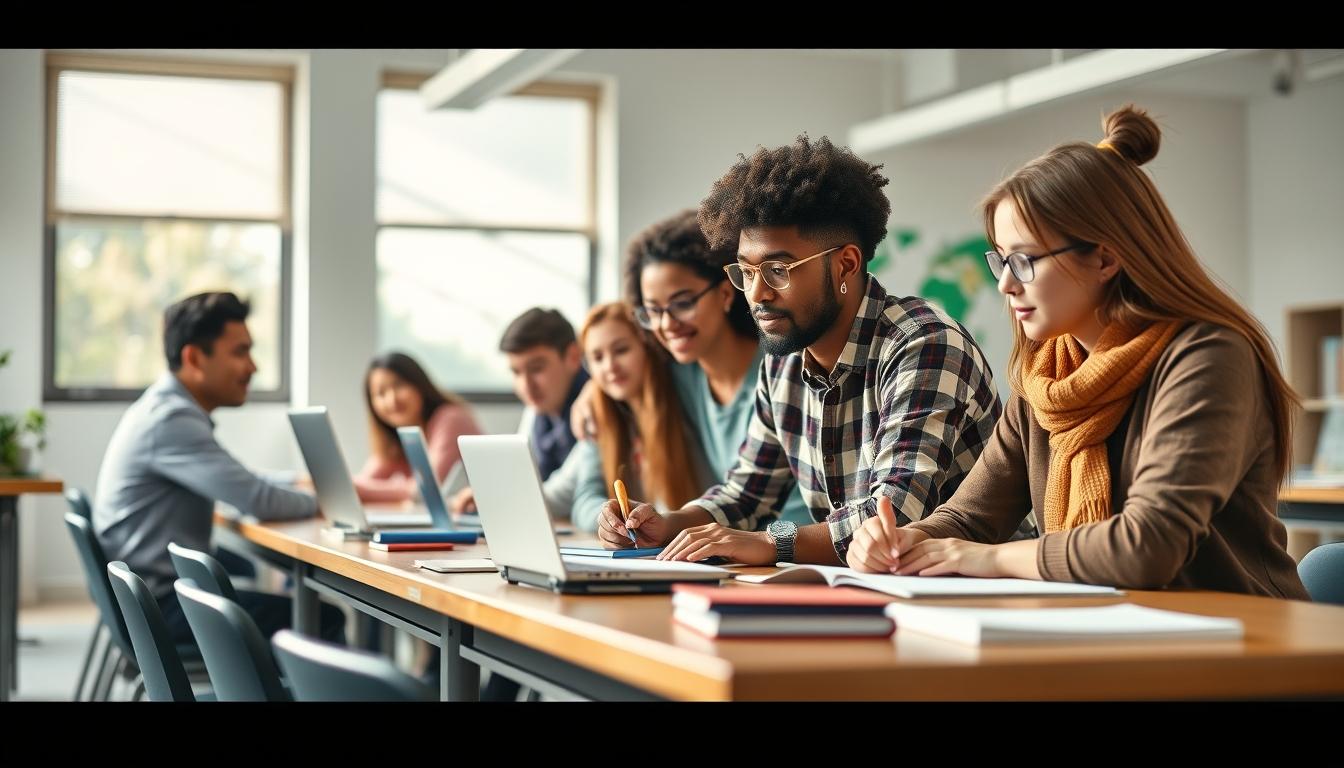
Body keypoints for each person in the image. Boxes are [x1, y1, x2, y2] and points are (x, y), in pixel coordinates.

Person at [846, 105, 1308, 599]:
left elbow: (1148, 545)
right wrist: (900, 541)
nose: (1004, 284)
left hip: (1245, 649)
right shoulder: (1044, 379)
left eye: (1022, 261)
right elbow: (970, 518)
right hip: (1119, 638)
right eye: (999, 260)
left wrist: (989, 558)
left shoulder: (1208, 358)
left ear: (1105, 257)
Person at [596, 135, 1001, 567]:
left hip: (974, 595)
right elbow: (747, 493)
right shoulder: (784, 360)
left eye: (777, 270)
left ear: (845, 263)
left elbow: (893, 515)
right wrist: (670, 522)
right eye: (745, 271)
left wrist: (773, 543)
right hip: (872, 591)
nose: (757, 294)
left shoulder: (924, 346)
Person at [93, 292, 344, 643]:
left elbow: (239, 479)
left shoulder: (164, 408)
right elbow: (257, 499)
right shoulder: (172, 419)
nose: (253, 367)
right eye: (240, 352)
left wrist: (298, 482)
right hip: (161, 607)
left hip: (145, 599)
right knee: (323, 618)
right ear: (194, 357)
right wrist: (328, 502)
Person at [567, 302, 714, 532]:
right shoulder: (602, 413)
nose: (610, 367)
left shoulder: (685, 396)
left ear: (647, 346)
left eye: (621, 350)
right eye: (597, 358)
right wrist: (610, 519)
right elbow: (583, 499)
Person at [450, 308, 590, 516]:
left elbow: (564, 495)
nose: (526, 386)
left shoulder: (594, 406)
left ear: (573, 356)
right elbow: (520, 476)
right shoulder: (537, 411)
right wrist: (488, 494)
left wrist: (496, 499)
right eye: (516, 372)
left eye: (536, 369)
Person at [354, 352, 481, 504]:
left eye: (399, 385)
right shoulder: (397, 439)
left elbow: (427, 488)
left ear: (419, 385)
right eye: (380, 393)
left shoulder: (451, 418)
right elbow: (365, 481)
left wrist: (357, 487)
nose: (391, 400)